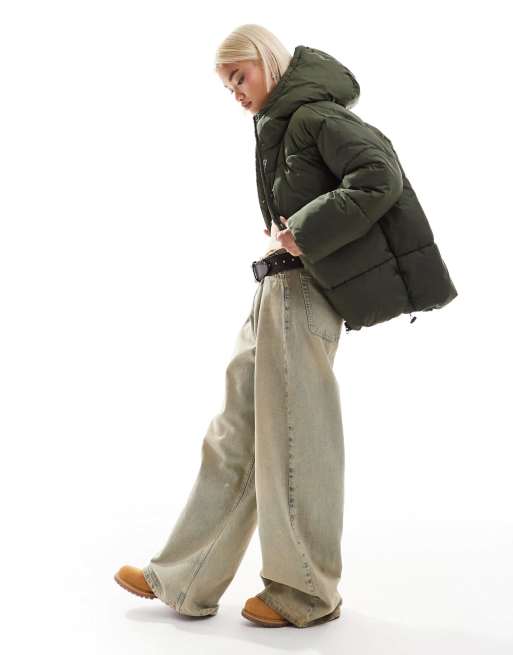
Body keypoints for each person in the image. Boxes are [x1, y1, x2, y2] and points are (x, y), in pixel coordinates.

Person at [114, 23, 442, 629]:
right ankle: (185, 578)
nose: (235, 92)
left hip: (304, 292)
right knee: (235, 434)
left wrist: (303, 231)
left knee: (297, 439)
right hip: (274, 288)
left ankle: (306, 594)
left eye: (239, 77)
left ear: (267, 61)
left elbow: (380, 177)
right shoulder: (284, 123)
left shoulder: (315, 116)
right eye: (227, 85)